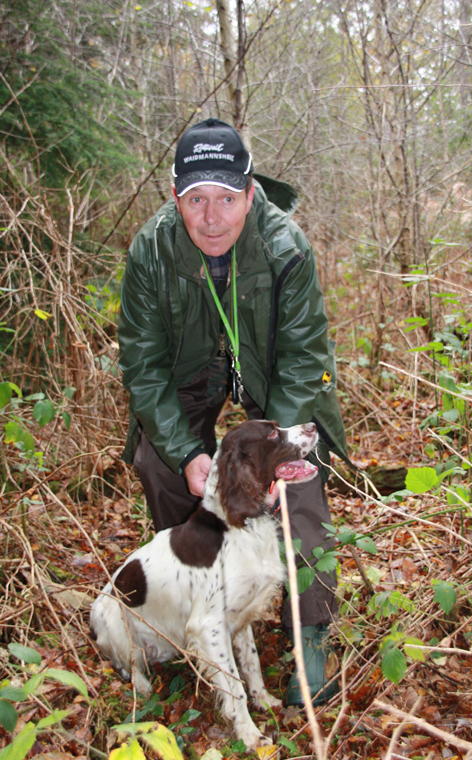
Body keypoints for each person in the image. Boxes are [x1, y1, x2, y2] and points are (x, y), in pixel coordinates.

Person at [118, 117, 350, 707]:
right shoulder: (151, 249)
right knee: (161, 463)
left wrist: (275, 456)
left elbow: (304, 359)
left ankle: (309, 630)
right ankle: (189, 599)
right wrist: (188, 452)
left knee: (297, 469)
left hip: (272, 374)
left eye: (226, 198)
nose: (212, 216)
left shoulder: (284, 246)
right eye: (196, 200)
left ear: (251, 194)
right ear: (176, 198)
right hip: (189, 375)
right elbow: (144, 369)